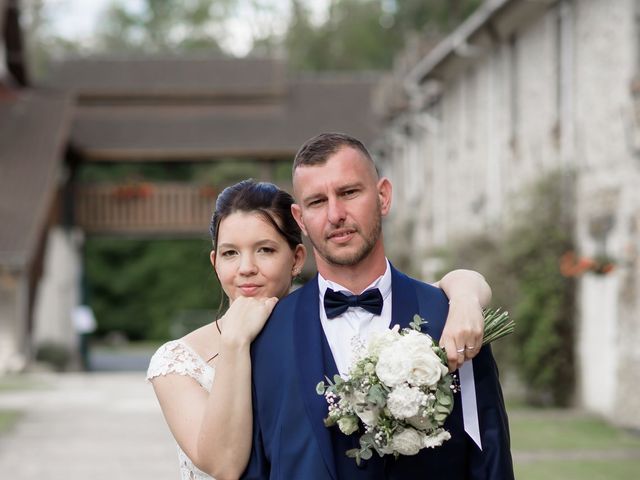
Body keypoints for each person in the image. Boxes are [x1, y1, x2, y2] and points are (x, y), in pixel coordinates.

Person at [147, 179, 494, 480]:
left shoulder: (343, 321)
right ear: (214, 262)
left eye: (265, 250)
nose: (246, 268)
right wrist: (236, 342)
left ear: (297, 258)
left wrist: (464, 296)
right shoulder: (178, 362)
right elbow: (224, 465)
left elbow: (440, 289)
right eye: (230, 254)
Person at [242, 133, 514, 479]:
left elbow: (489, 457)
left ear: (383, 196)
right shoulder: (265, 333)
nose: (335, 214)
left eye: (349, 193)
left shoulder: (451, 316)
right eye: (317, 202)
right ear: (300, 220)